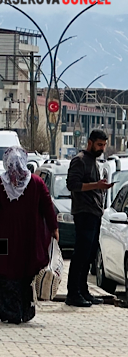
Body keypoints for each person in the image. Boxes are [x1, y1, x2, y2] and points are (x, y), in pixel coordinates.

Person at [0, 147, 58, 324]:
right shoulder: (36, 183)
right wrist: (54, 229)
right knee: (25, 273)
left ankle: (9, 312)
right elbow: (48, 208)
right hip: (29, 237)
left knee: (3, 271)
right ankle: (24, 310)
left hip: (1, 239)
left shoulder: (0, 183)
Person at [65, 129, 111, 307]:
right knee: (81, 253)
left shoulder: (94, 162)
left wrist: (100, 188)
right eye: (99, 145)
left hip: (95, 213)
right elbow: (73, 185)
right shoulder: (80, 160)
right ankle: (73, 293)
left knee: (90, 254)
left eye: (104, 145)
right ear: (90, 142)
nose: (102, 148)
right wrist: (96, 185)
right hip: (83, 213)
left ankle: (83, 290)